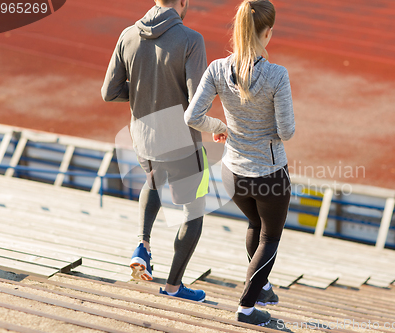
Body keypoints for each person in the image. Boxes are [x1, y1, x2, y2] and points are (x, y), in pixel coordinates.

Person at [185, 0, 294, 325]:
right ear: (267, 33)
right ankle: (247, 307)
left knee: (255, 226)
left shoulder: (218, 68)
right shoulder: (277, 75)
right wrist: (263, 133)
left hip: (232, 173)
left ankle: (260, 288)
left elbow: (192, 116)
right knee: (269, 237)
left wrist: (221, 128)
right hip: (269, 174)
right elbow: (287, 131)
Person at [101, 0, 209, 302]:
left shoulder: (127, 35)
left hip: (143, 139)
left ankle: (142, 246)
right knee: (194, 211)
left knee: (153, 181)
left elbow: (109, 92)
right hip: (183, 144)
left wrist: (140, 93)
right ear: (183, 2)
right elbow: (196, 101)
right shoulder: (191, 40)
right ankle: (174, 285)